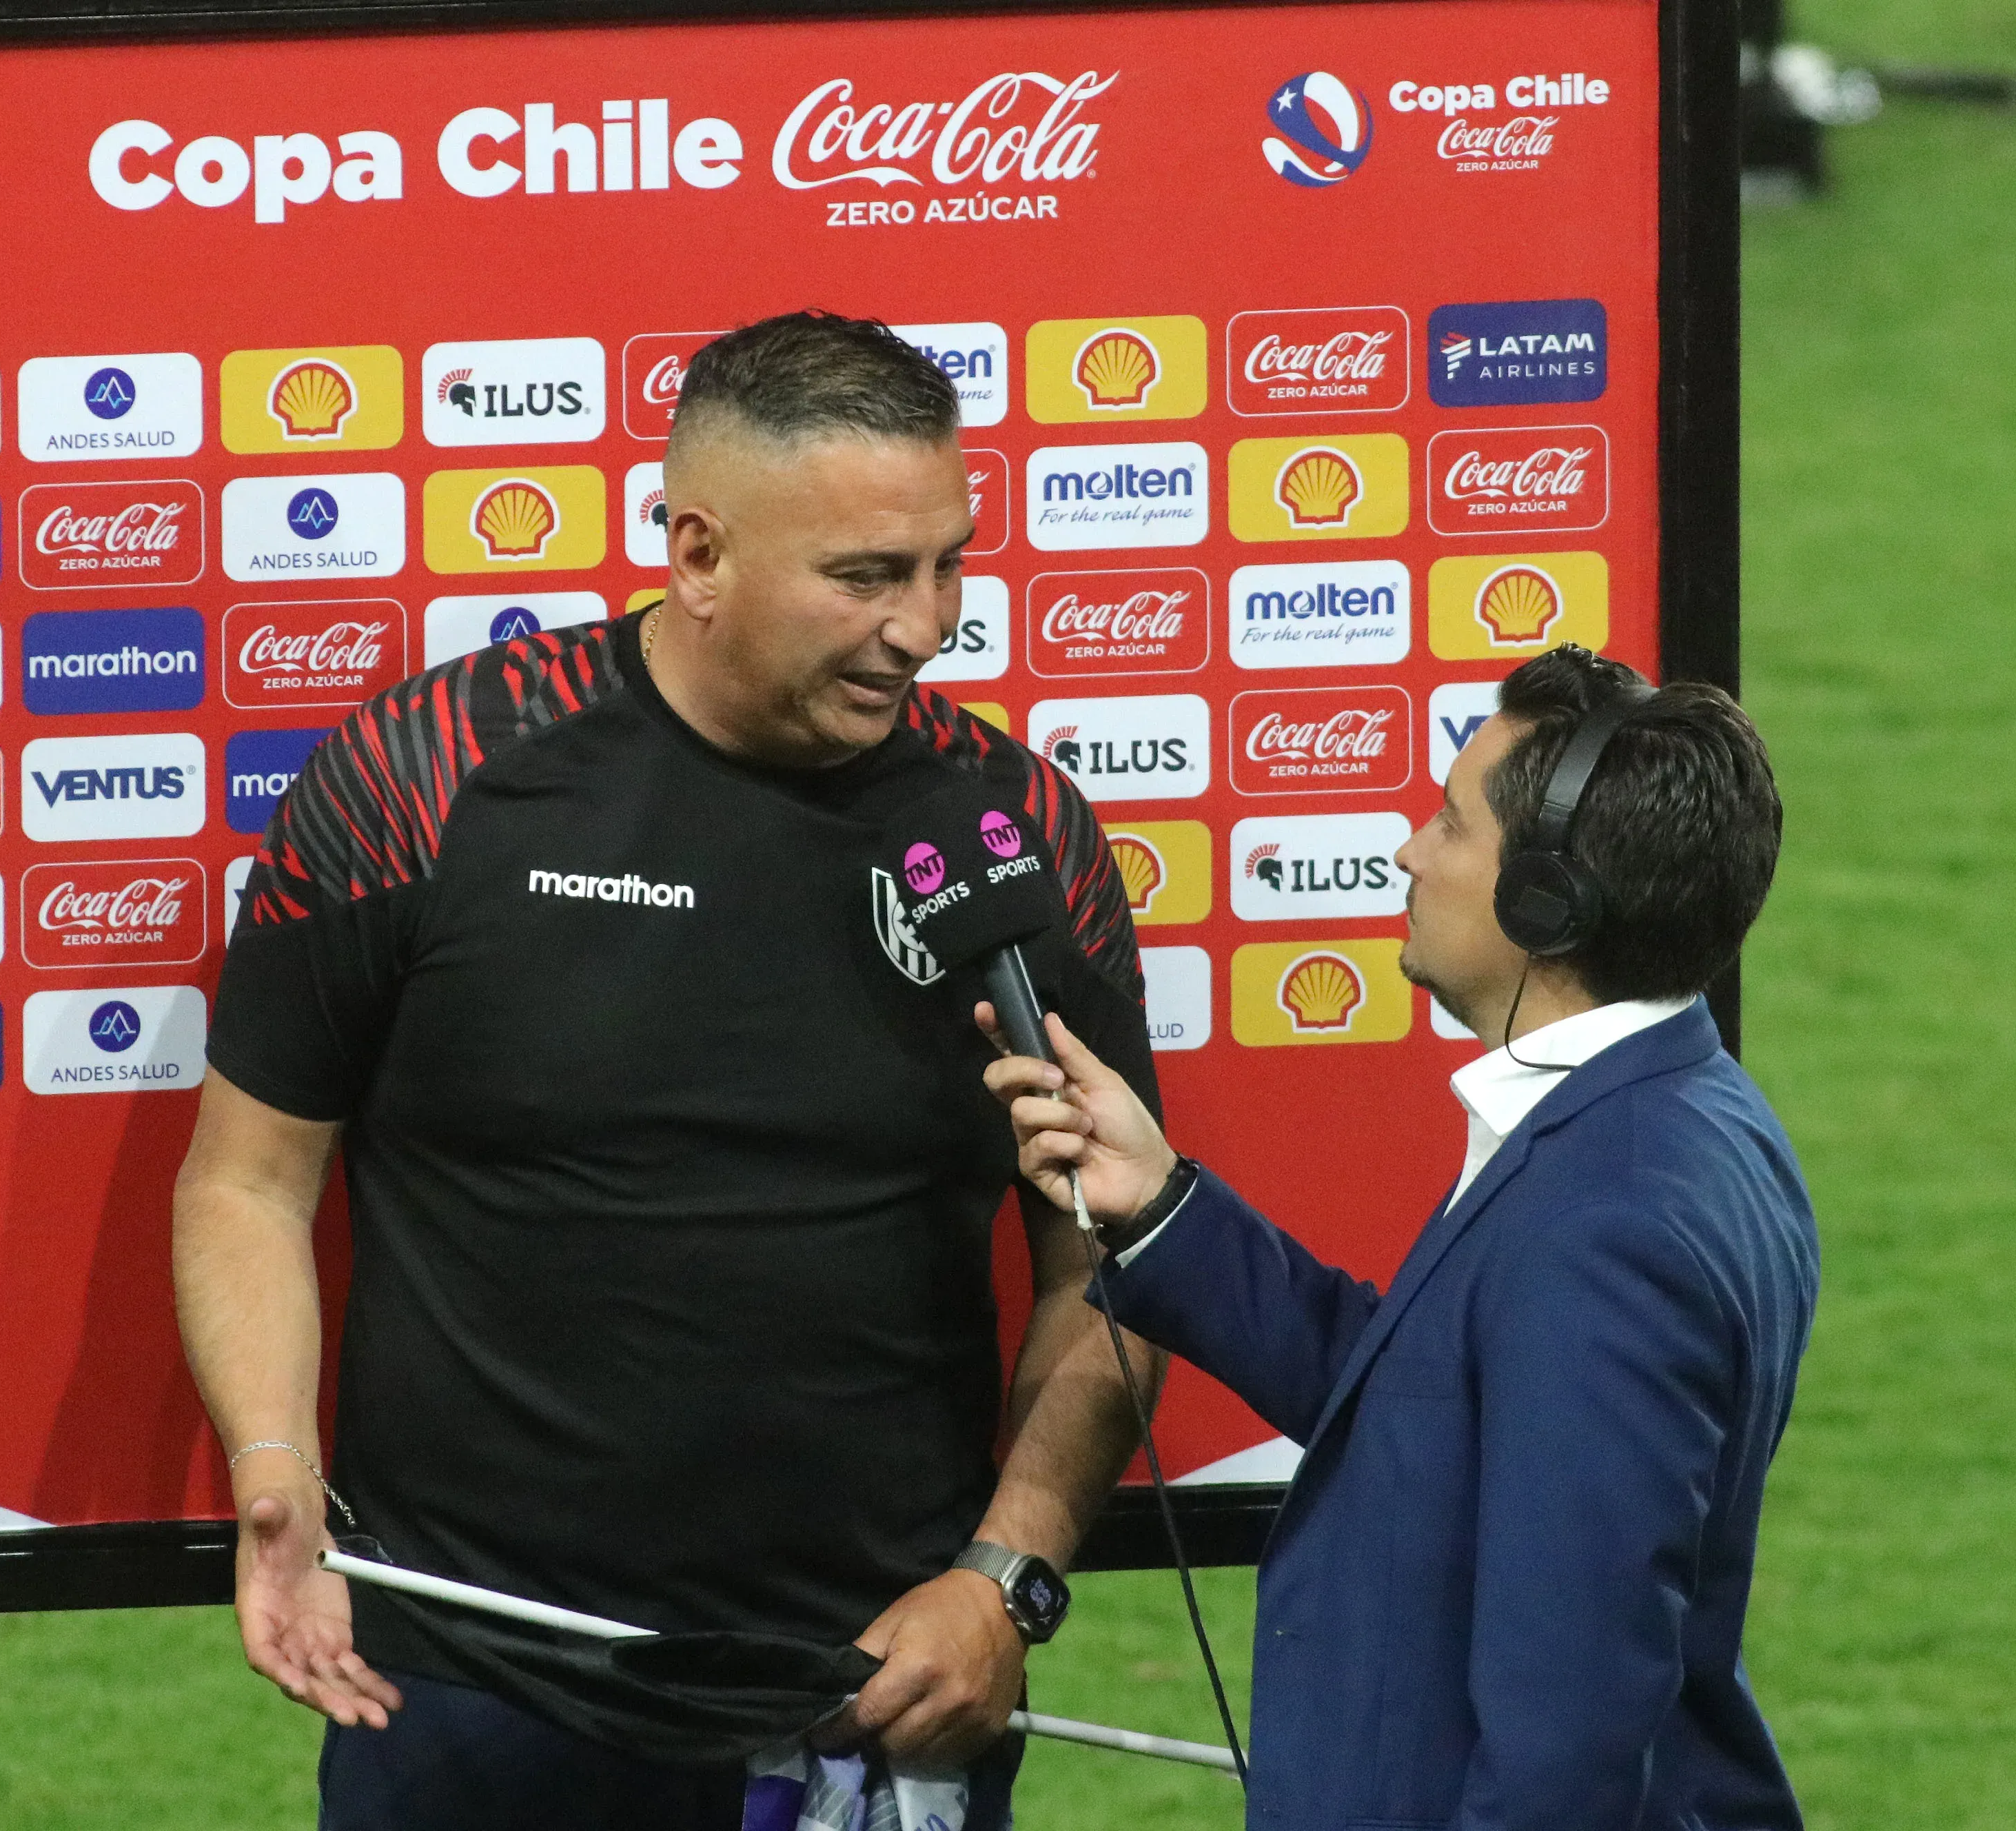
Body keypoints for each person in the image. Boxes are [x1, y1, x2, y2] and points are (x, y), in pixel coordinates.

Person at [171, 311, 1163, 1831]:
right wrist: (270, 1458)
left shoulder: (1011, 831)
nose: (927, 623)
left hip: (882, 1687)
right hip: (472, 1688)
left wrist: (1006, 1576)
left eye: (947, 563)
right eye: (865, 575)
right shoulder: (426, 780)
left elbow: (1111, 1263)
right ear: (697, 552)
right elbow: (248, 1175)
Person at [984, 645, 1819, 1830]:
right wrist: (1160, 1200)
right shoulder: (1674, 1108)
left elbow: (1566, 1739)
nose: (1408, 853)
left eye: (1448, 824)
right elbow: (1419, 1404)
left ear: (1547, 899)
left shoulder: (1607, 1224)